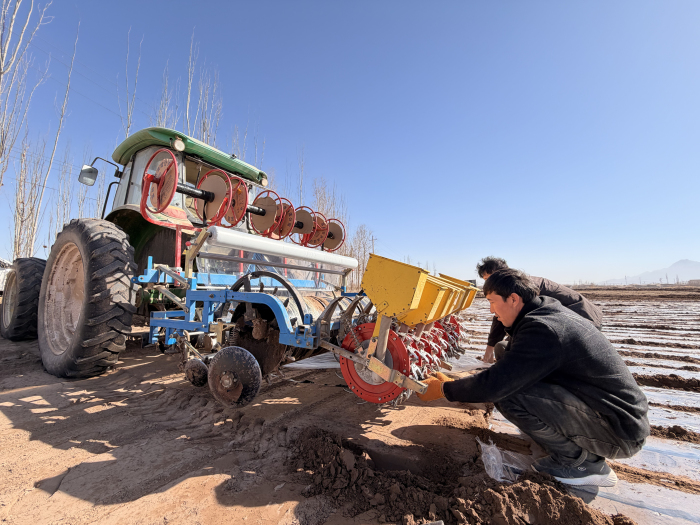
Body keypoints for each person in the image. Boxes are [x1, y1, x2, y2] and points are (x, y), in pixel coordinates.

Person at [418, 268, 649, 487]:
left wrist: (444, 390)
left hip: (619, 430)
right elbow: (508, 368)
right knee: (504, 352)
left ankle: (581, 464)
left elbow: (498, 383)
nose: (491, 311)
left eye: (492, 302)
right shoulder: (543, 312)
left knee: (508, 395)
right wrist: (455, 384)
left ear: (513, 299)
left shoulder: (544, 329)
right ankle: (564, 440)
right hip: (608, 414)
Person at [476, 257, 603, 363]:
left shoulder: (519, 286)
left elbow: (502, 316)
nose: (487, 285)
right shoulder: (518, 282)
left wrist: (489, 349)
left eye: (488, 279)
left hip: (581, 319)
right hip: (579, 318)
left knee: (509, 350)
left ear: (500, 274)